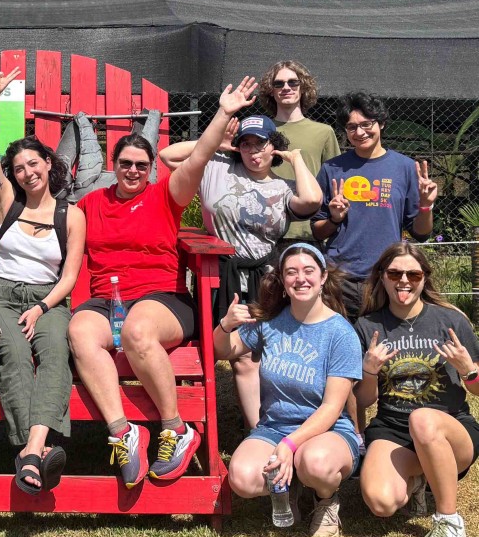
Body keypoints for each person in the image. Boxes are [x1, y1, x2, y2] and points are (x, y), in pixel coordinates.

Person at [68, 76, 258, 489]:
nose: (133, 170)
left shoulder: (166, 194)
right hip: (106, 300)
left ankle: (176, 428)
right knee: (80, 333)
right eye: (125, 164)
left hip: (163, 299)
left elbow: (198, 158)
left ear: (151, 167)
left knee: (138, 330)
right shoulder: (89, 204)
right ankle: (123, 431)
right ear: (112, 167)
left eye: (141, 164)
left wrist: (225, 112)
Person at [159, 114, 322, 429]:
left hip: (267, 275)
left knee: (266, 353)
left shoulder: (283, 187)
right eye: (246, 144)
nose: (253, 151)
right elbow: (168, 156)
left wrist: (295, 158)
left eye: (261, 144)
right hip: (221, 271)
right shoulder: (215, 167)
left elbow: (312, 199)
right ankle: (256, 430)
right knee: (236, 351)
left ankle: (272, 424)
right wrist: (218, 143)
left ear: (273, 146)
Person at [0, 68, 86, 493]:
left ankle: (28, 451)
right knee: (16, 356)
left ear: (48, 164)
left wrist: (41, 308)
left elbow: (71, 276)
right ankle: (36, 452)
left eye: (33, 163)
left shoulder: (70, 215)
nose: (26, 173)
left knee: (57, 352)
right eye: (18, 168)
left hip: (49, 299)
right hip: (1, 297)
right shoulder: (6, 202)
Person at [218, 244, 362, 537]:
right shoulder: (270, 322)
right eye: (291, 272)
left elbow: (332, 408)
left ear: (322, 278)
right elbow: (223, 350)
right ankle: (293, 483)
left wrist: (289, 446)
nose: (300, 278)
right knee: (242, 479)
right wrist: (225, 325)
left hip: (327, 431)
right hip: (275, 427)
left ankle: (325, 498)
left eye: (309, 271)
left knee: (316, 464)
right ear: (282, 281)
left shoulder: (341, 334)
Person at [355, 242, 479, 537]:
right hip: (392, 429)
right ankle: (424, 475)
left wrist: (470, 371)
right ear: (382, 277)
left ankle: (449, 522)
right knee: (382, 502)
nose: (404, 280)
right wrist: (369, 370)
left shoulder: (451, 321)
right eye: (395, 273)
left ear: (425, 277)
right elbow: (365, 400)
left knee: (424, 419)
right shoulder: (368, 327)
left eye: (413, 273)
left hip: (451, 431)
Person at [312, 92, 437, 319]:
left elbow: (422, 233)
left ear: (381, 124)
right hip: (340, 278)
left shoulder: (405, 168)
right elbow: (317, 230)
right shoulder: (332, 169)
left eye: (366, 124)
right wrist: (334, 219)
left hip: (386, 277)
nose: (359, 132)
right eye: (351, 127)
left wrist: (426, 205)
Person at [258, 60, 340, 243]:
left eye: (293, 82)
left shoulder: (324, 132)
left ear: (303, 87)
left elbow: (335, 183)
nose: (286, 87)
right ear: (271, 91)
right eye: (278, 83)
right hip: (263, 229)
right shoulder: (259, 131)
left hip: (309, 232)